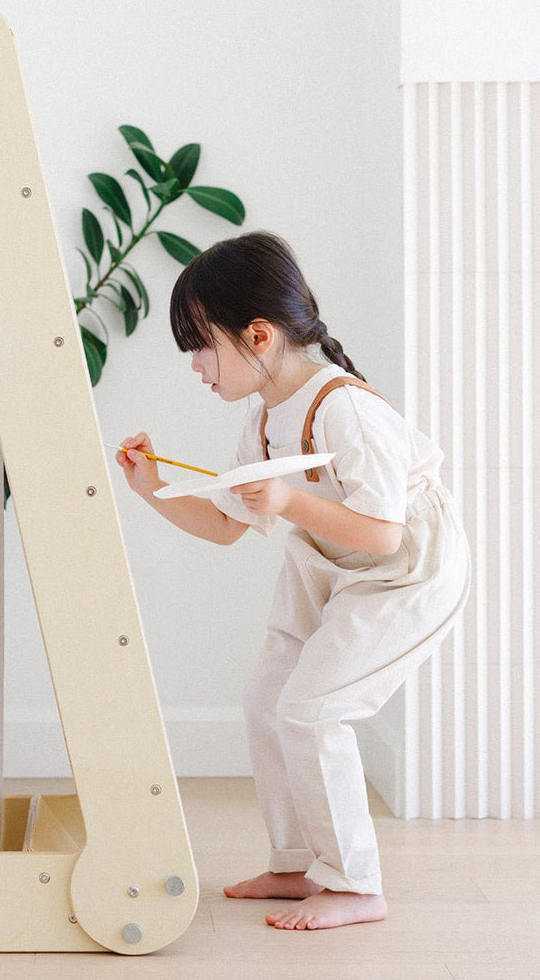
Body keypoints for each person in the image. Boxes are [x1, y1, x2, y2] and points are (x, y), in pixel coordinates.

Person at [116, 232, 470, 931]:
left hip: (407, 570)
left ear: (258, 335)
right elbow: (225, 526)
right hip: (332, 560)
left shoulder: (346, 408)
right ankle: (297, 862)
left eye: (200, 346)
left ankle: (356, 884)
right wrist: (150, 485)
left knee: (312, 709)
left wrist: (286, 502)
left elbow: (385, 533)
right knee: (266, 700)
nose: (195, 366)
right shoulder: (264, 420)